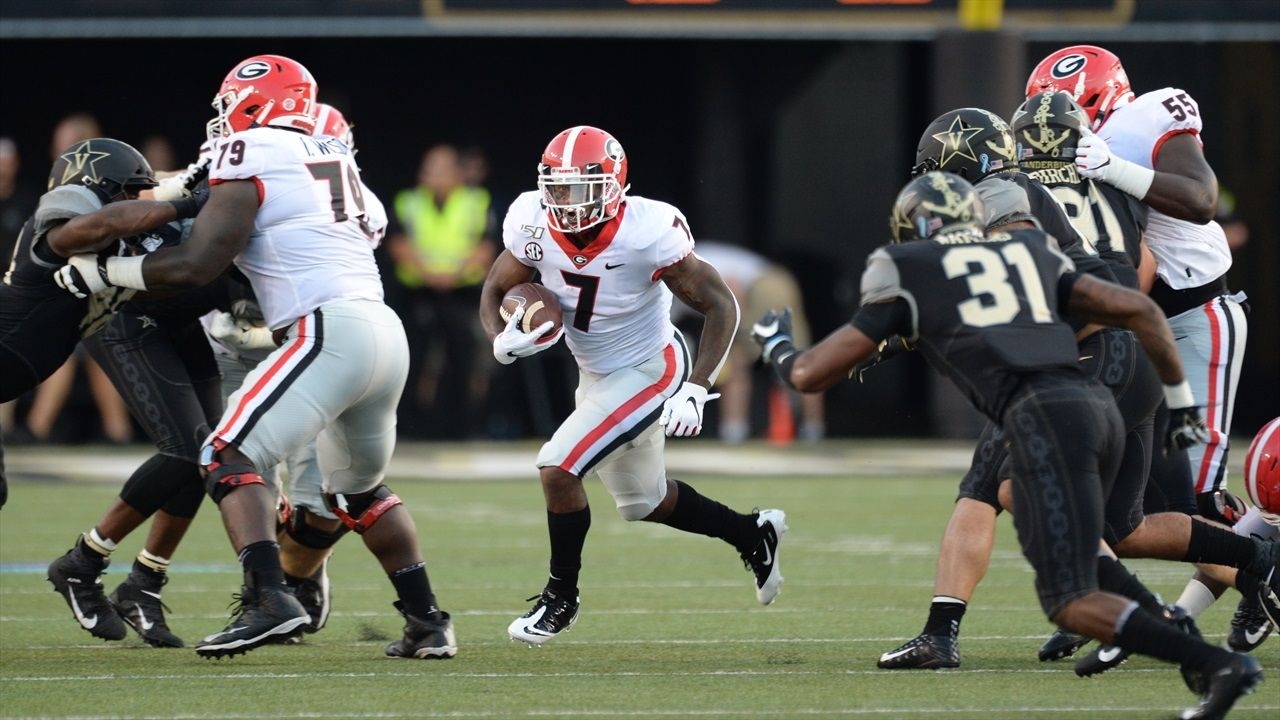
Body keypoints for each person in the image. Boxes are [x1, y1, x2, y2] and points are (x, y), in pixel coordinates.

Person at [754, 170, 1265, 720]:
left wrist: (778, 345)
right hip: (1096, 405)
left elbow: (808, 375)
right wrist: (1183, 404)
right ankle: (1190, 644)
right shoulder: (1029, 251)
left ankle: (1212, 660)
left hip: (1045, 418)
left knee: (1070, 596)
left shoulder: (909, 267)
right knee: (1084, 547)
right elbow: (1140, 309)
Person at [55, 54, 454, 660]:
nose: (224, 118)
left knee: (222, 451)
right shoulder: (338, 166)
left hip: (328, 332)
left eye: (230, 104)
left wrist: (104, 269)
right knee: (361, 493)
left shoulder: (256, 147)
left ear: (258, 104)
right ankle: (428, 623)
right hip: (382, 333)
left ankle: (270, 599)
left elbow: (198, 263)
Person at [478, 125, 787, 645]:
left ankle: (560, 598)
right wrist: (499, 338)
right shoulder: (530, 220)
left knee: (558, 468)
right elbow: (494, 288)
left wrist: (697, 385)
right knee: (647, 501)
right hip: (597, 374)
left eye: (581, 188)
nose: (567, 202)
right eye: (557, 187)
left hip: (651, 367)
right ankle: (752, 533)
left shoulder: (646, 231)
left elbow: (720, 304)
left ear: (614, 185)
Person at [1028, 43, 1265, 669]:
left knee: (1194, 496)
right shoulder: (1051, 165)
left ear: (1101, 104)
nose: (1051, 136)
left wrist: (1117, 169)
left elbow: (1200, 198)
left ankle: (1243, 580)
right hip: (1127, 334)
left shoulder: (1148, 117)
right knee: (1116, 493)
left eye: (1063, 118)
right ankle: (1136, 613)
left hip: (1193, 319)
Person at [388, 144, 495, 438]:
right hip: (419, 294)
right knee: (413, 361)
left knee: (464, 361)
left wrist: (452, 274)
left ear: (458, 173)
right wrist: (429, 274)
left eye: (442, 169)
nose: (434, 175)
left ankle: (464, 430)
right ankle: (411, 430)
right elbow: (397, 244)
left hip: (462, 294)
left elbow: (486, 247)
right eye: (429, 168)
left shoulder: (477, 201)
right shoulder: (407, 202)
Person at [672, 240, 825, 444]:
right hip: (751, 292)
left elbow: (732, 289)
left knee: (792, 360)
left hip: (764, 287)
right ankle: (734, 431)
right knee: (735, 361)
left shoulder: (683, 265)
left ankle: (813, 430)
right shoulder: (669, 287)